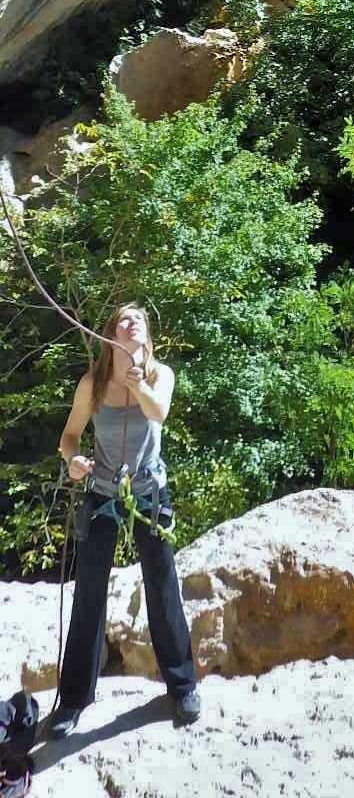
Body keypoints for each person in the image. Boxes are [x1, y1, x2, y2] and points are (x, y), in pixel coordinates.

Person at [52, 303, 200, 735]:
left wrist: (137, 385)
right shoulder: (92, 385)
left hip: (149, 493)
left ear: (146, 337)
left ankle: (183, 685)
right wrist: (72, 459)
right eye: (122, 318)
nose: (131, 321)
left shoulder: (159, 376)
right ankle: (73, 699)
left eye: (139, 319)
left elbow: (159, 413)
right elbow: (69, 435)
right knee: (89, 593)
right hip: (101, 492)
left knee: (161, 583)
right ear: (111, 335)